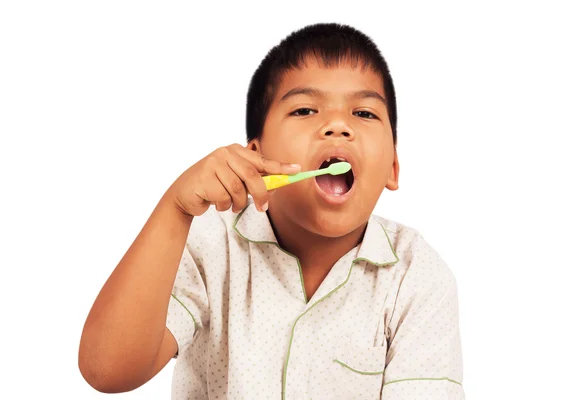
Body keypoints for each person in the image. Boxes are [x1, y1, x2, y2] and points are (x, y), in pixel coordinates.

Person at [78, 22, 465, 400]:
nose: (337, 126)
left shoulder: (417, 278)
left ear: (392, 169)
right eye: (305, 110)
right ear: (255, 158)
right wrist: (175, 209)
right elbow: (107, 371)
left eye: (363, 114)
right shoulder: (210, 246)